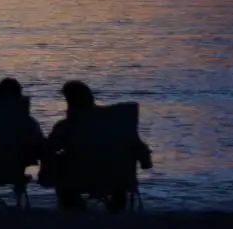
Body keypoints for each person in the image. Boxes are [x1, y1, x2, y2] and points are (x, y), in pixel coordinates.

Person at [42, 80, 152, 213]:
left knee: (58, 161)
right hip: (118, 178)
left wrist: (46, 169)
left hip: (79, 179)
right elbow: (138, 146)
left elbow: (48, 149)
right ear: (91, 97)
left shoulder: (65, 127)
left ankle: (73, 210)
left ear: (68, 101)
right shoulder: (118, 122)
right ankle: (117, 210)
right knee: (119, 164)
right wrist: (145, 161)